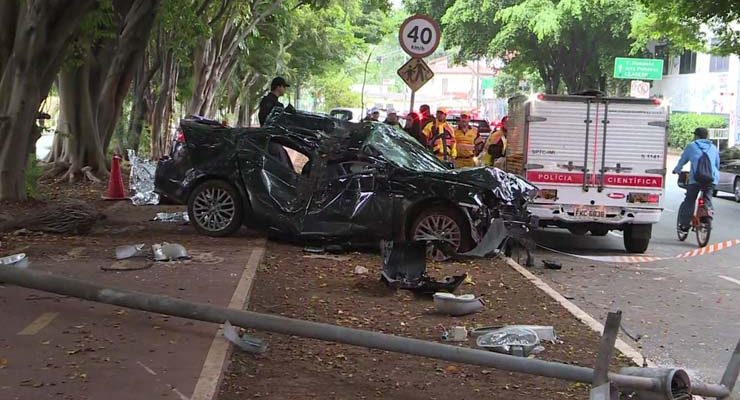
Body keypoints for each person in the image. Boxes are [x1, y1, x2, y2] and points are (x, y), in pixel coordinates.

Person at [673, 127, 720, 233]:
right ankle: (707, 218)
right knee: (707, 198)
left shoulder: (691, 146)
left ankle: (684, 226)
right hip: (711, 179)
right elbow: (717, 165)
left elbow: (682, 160)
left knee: (690, 200)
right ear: (707, 136)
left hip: (696, 179)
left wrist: (677, 170)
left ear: (696, 136)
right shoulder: (713, 147)